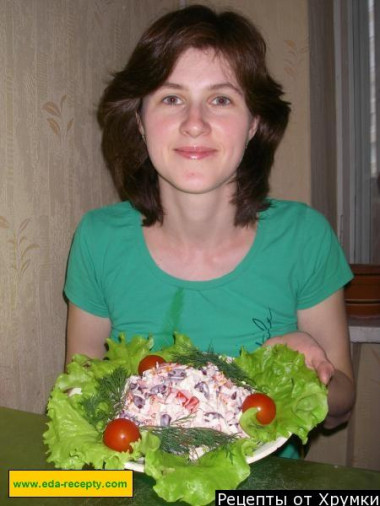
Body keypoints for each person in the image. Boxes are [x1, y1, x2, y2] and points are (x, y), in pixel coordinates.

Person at [64, 4, 355, 458]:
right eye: (171, 97)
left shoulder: (305, 237)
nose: (194, 123)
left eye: (221, 99)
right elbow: (78, 395)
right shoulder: (97, 240)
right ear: (139, 120)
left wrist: (312, 369)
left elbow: (341, 407)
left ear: (255, 122)